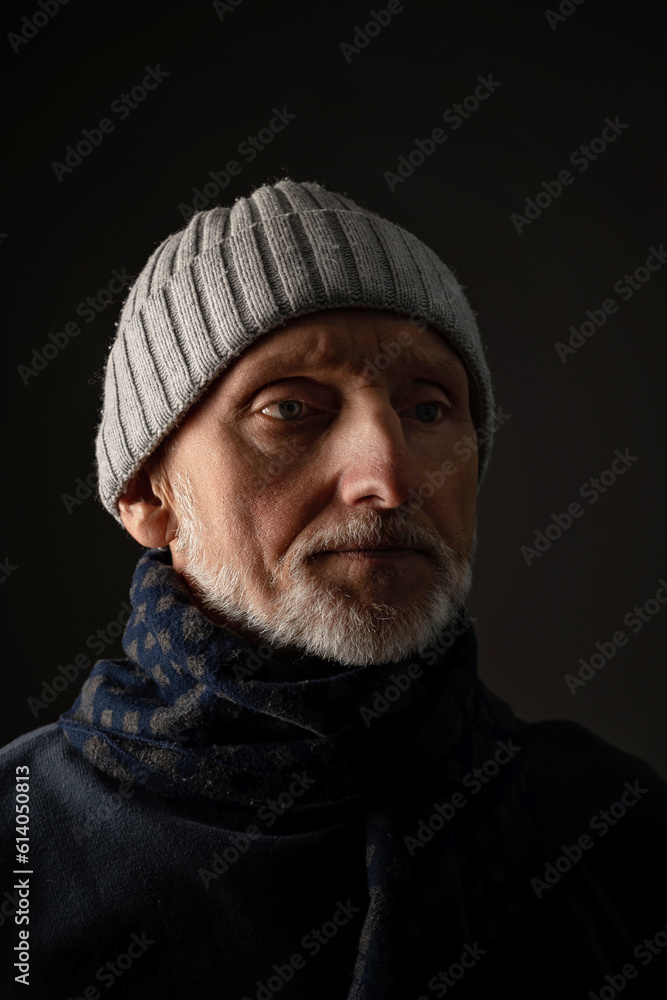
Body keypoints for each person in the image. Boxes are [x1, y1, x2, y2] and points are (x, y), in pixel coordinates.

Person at [1, 178, 665, 999]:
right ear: (146, 493)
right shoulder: (19, 847)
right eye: (290, 409)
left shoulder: (617, 826)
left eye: (427, 410)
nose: (388, 478)